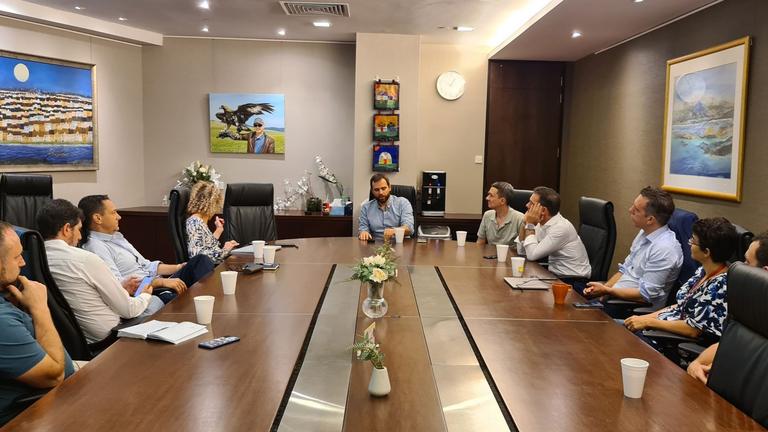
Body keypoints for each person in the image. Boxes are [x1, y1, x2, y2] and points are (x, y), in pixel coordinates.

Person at [38, 200, 164, 344]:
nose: (80, 236)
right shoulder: (85, 259)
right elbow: (129, 310)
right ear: (67, 229)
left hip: (72, 340)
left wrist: (121, 287)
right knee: (156, 301)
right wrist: (145, 294)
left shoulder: (35, 259)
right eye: (78, 229)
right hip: (111, 336)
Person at [0, 221, 74, 426]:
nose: (23, 262)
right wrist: (39, 307)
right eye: (16, 256)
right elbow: (54, 376)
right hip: (31, 413)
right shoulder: (2, 321)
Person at [623, 217, 737, 349]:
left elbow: (693, 329)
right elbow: (680, 306)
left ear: (706, 252)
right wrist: (643, 319)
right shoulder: (702, 271)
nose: (689, 243)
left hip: (672, 342)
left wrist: (649, 322)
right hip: (660, 327)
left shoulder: (720, 286)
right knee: (620, 328)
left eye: (693, 241)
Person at [78, 195, 214, 301]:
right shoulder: (96, 247)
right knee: (183, 300)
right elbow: (119, 285)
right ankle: (208, 303)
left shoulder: (116, 237)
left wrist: (179, 267)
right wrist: (161, 282)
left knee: (200, 260)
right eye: (113, 213)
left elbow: (147, 266)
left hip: (156, 282)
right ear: (98, 218)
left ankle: (210, 301)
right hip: (145, 292)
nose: (118, 217)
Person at [584, 186, 683, 311]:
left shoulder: (665, 249)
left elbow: (645, 295)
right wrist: (604, 290)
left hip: (632, 308)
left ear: (650, 219)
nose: (630, 210)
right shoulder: (644, 232)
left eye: (636, 210)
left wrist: (608, 291)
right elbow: (625, 269)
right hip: (615, 296)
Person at [687, 230, 768, 384]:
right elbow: (731, 341)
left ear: (764, 273)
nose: (741, 268)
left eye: (747, 262)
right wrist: (698, 363)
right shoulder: (750, 300)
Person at [516, 186, 591, 291]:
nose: (527, 205)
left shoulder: (561, 228)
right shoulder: (541, 222)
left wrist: (530, 224)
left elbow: (532, 255)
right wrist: (525, 223)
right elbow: (522, 251)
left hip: (573, 281)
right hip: (554, 276)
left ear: (543, 210)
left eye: (531, 203)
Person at [186, 181, 239, 261]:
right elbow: (197, 256)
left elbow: (207, 247)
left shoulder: (199, 221)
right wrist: (225, 250)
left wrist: (219, 230)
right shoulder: (195, 223)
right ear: (212, 204)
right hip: (209, 268)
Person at [358, 174, 414, 242]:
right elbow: (363, 228)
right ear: (372, 191)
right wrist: (363, 232)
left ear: (389, 187)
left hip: (399, 243)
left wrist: (394, 231)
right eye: (376, 190)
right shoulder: (366, 207)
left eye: (383, 188)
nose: (380, 192)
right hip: (376, 245)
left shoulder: (403, 203)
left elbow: (409, 228)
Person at [476, 182, 525, 246]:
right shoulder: (487, 215)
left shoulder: (520, 218)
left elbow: (522, 248)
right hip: (490, 252)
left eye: (491, 195)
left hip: (510, 252)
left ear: (502, 201)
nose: (487, 198)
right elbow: (480, 243)